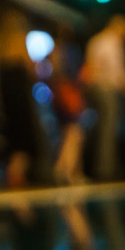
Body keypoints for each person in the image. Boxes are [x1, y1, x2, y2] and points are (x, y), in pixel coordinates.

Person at [0, 9, 44, 188]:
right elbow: (31, 69)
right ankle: (16, 175)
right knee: (25, 137)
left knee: (12, 135)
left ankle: (13, 173)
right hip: (21, 96)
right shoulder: (19, 39)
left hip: (5, 97)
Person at [82, 14, 125, 181]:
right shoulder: (113, 42)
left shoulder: (95, 40)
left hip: (93, 89)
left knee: (97, 128)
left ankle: (96, 166)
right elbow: (117, 72)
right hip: (106, 89)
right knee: (109, 129)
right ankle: (106, 169)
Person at [47, 41, 88, 184]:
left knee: (68, 134)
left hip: (59, 96)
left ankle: (64, 168)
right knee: (74, 133)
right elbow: (75, 75)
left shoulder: (54, 51)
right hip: (67, 96)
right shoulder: (68, 51)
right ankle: (67, 170)